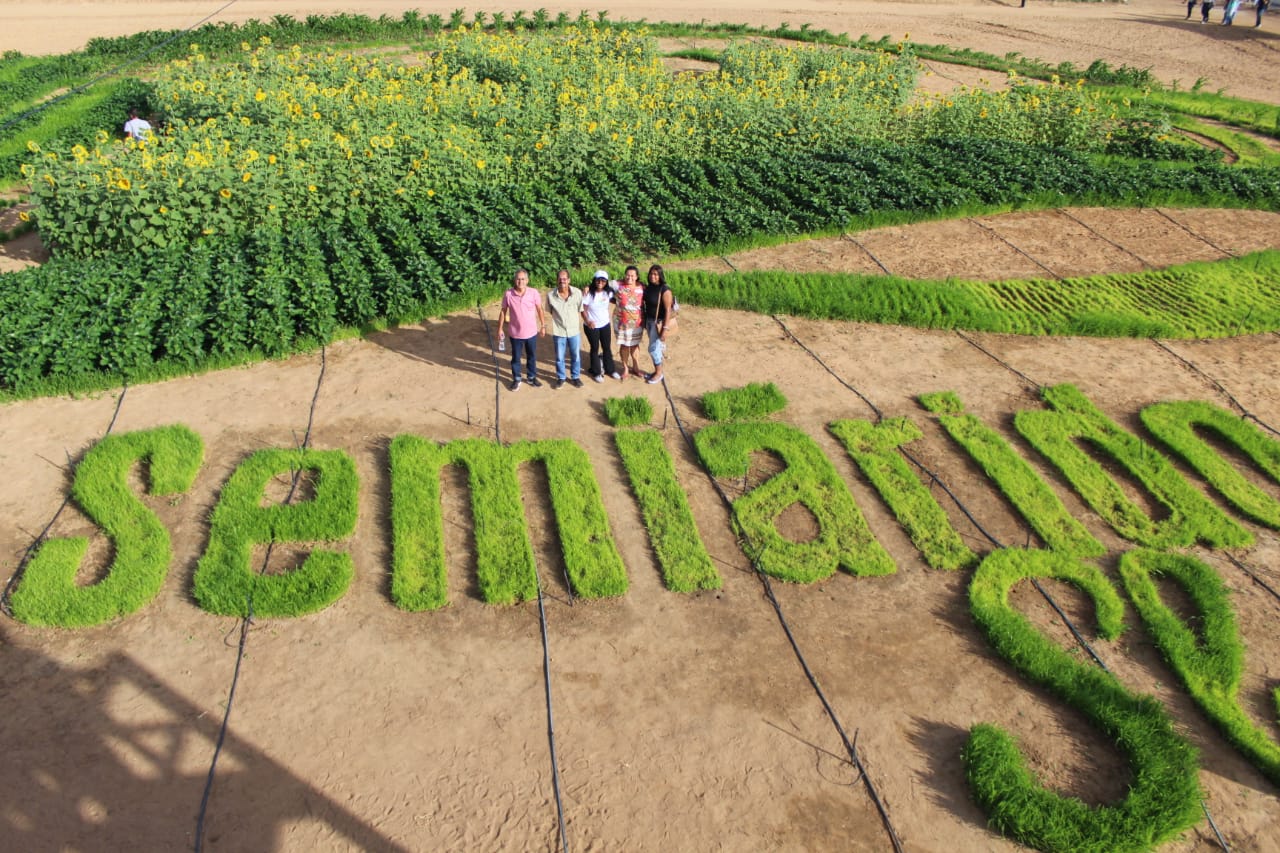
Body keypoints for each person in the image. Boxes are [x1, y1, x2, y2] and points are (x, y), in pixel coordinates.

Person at [496, 268, 546, 390]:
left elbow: (539, 309)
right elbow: (503, 311)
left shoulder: (533, 293)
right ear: (515, 280)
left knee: (531, 356)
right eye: (518, 279)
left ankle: (531, 377)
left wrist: (543, 326)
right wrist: (500, 329)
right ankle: (517, 379)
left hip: (531, 333)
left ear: (527, 280)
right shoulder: (508, 294)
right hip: (515, 334)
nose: (520, 281)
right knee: (516, 358)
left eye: (523, 279)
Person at [546, 269, 584, 388]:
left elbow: (580, 309)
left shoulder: (577, 293)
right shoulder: (550, 296)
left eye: (565, 279)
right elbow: (550, 311)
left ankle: (575, 377)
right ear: (557, 280)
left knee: (575, 355)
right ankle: (561, 378)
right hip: (559, 331)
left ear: (569, 280)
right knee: (559, 357)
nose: (562, 281)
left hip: (574, 331)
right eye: (560, 279)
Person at [582, 269, 620, 382]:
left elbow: (620, 286)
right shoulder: (588, 294)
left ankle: (610, 369)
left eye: (603, 280)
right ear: (594, 280)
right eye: (598, 280)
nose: (600, 282)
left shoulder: (608, 293)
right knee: (594, 348)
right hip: (591, 326)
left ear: (606, 282)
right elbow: (582, 309)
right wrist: (588, 321)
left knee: (607, 348)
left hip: (605, 324)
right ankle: (596, 372)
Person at [641, 264, 675, 385]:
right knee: (656, 346)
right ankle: (657, 370)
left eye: (655, 274)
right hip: (649, 322)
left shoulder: (664, 290)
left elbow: (668, 310)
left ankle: (659, 373)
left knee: (653, 348)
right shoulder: (649, 288)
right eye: (651, 273)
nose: (652, 276)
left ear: (660, 275)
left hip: (658, 323)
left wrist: (665, 329)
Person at [614, 265, 646, 380]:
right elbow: (600, 284)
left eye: (632, 275)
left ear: (637, 277)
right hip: (621, 322)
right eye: (627, 275)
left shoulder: (642, 287)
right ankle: (625, 368)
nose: (629, 277)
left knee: (634, 345)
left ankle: (636, 367)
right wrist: (588, 287)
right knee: (624, 345)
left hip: (637, 322)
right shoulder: (617, 285)